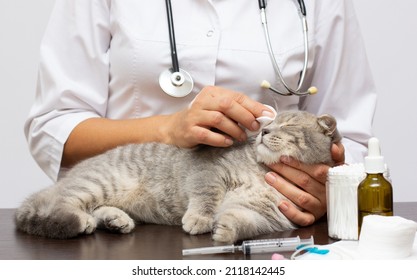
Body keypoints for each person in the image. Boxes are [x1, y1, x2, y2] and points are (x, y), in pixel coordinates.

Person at [24, 0, 376, 228]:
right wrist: (166, 129)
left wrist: (325, 191)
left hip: (265, 226)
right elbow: (54, 128)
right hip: (126, 225)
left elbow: (352, 138)